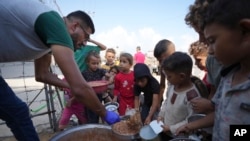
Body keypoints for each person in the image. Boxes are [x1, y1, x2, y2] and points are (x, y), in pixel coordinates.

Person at [0, 1, 119, 140]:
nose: (84, 44)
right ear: (75, 26)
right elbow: (80, 88)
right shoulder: (55, 23)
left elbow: (42, 75)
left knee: (17, 113)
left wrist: (71, 86)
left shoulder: (48, 37)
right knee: (17, 113)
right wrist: (104, 113)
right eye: (86, 37)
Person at [177, 0, 250, 140]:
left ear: (245, 31)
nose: (209, 50)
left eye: (212, 41)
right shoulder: (228, 78)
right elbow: (220, 113)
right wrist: (190, 126)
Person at [157, 52, 202, 140]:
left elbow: (191, 120)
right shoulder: (172, 86)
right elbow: (167, 102)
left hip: (179, 136)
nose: (167, 79)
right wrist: (161, 116)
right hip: (165, 130)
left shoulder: (192, 96)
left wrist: (171, 128)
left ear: (181, 76)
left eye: (169, 76)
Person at [81, 51, 108, 123]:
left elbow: (107, 74)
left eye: (97, 63)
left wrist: (110, 77)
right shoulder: (84, 73)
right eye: (93, 63)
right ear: (87, 63)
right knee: (91, 116)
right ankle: (93, 127)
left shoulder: (100, 71)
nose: (96, 65)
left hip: (99, 96)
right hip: (89, 98)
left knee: (100, 112)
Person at [153, 39, 175, 108]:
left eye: (162, 60)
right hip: (170, 95)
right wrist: (158, 103)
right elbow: (162, 85)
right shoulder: (163, 68)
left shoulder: (181, 66)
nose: (161, 64)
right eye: (159, 61)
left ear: (173, 54)